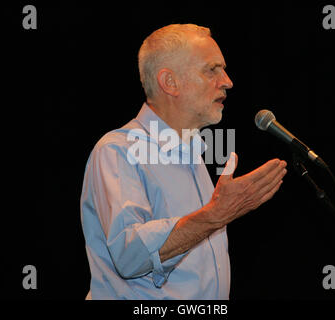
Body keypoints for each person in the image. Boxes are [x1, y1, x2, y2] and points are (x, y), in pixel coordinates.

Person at [80, 24, 287, 299]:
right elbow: (129, 255)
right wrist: (215, 215)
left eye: (223, 69)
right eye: (211, 69)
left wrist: (214, 216)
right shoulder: (118, 150)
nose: (227, 81)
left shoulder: (193, 153)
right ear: (170, 82)